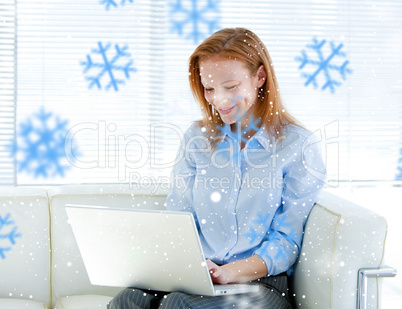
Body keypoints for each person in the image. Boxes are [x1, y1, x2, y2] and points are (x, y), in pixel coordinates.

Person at [108, 27, 326, 309]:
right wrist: (190, 267)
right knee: (128, 301)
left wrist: (228, 273)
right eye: (209, 89)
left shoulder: (297, 144)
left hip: (260, 284)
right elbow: (179, 219)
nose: (219, 100)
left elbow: (286, 240)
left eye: (231, 87)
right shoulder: (196, 139)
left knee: (178, 305)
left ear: (260, 77)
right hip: (198, 276)